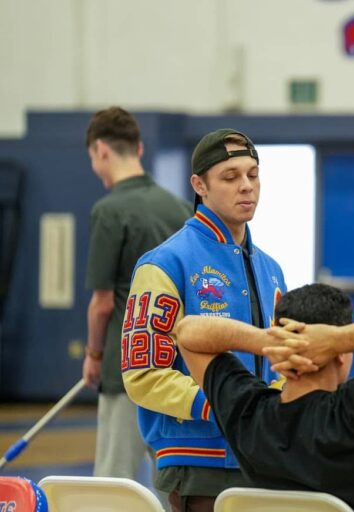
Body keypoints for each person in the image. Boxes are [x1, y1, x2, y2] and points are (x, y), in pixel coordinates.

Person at [122, 128, 286, 512]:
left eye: (252, 174)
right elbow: (143, 374)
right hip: (197, 463)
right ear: (200, 185)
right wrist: (221, 404)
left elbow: (279, 359)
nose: (246, 187)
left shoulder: (271, 269)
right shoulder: (164, 264)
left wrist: (278, 406)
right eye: (230, 177)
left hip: (262, 456)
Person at [175, 283, 354, 512]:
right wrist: (340, 338)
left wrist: (266, 341)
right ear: (341, 354)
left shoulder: (248, 414)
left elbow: (187, 332)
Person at [81, 107, 191, 486]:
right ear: (139, 148)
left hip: (124, 369)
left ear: (100, 151)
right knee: (171, 483)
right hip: (173, 370)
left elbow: (103, 303)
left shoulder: (108, 210)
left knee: (113, 481)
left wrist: (94, 355)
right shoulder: (178, 207)